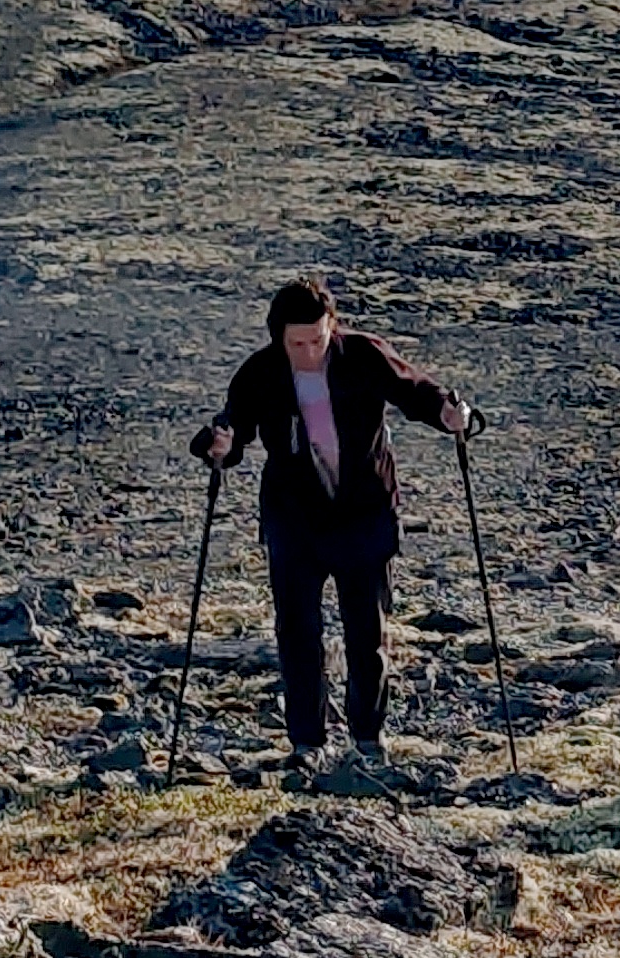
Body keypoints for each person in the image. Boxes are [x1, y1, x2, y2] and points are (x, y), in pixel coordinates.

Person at [195, 278, 474, 770]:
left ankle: (368, 740)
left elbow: (416, 391)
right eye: (296, 343)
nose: (307, 352)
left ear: (332, 329)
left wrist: (450, 415)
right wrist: (221, 446)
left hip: (364, 516)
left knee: (366, 633)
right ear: (278, 337)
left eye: (317, 341)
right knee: (297, 632)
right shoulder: (261, 371)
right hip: (294, 519)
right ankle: (307, 744)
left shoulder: (364, 356)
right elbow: (233, 425)